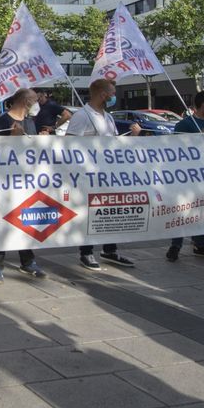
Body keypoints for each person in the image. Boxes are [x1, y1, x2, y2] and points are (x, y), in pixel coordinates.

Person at [63, 79, 139, 270]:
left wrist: (134, 137)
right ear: (102, 94)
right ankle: (86, 252)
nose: (114, 96)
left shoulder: (108, 117)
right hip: (89, 175)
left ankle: (110, 250)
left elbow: (112, 144)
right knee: (90, 213)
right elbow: (70, 144)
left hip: (108, 174)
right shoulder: (82, 116)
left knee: (109, 212)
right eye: (112, 93)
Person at [0, 89, 45, 283]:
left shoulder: (29, 121)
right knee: (3, 222)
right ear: (25, 101)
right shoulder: (3, 121)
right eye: (35, 100)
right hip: (5, 182)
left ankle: (28, 262)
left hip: (27, 180)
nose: (37, 103)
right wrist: (13, 139)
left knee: (27, 221)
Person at [166, 91, 204, 262]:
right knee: (182, 211)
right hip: (188, 177)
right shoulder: (185, 125)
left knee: (203, 210)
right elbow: (176, 150)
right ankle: (175, 245)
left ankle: (201, 244)